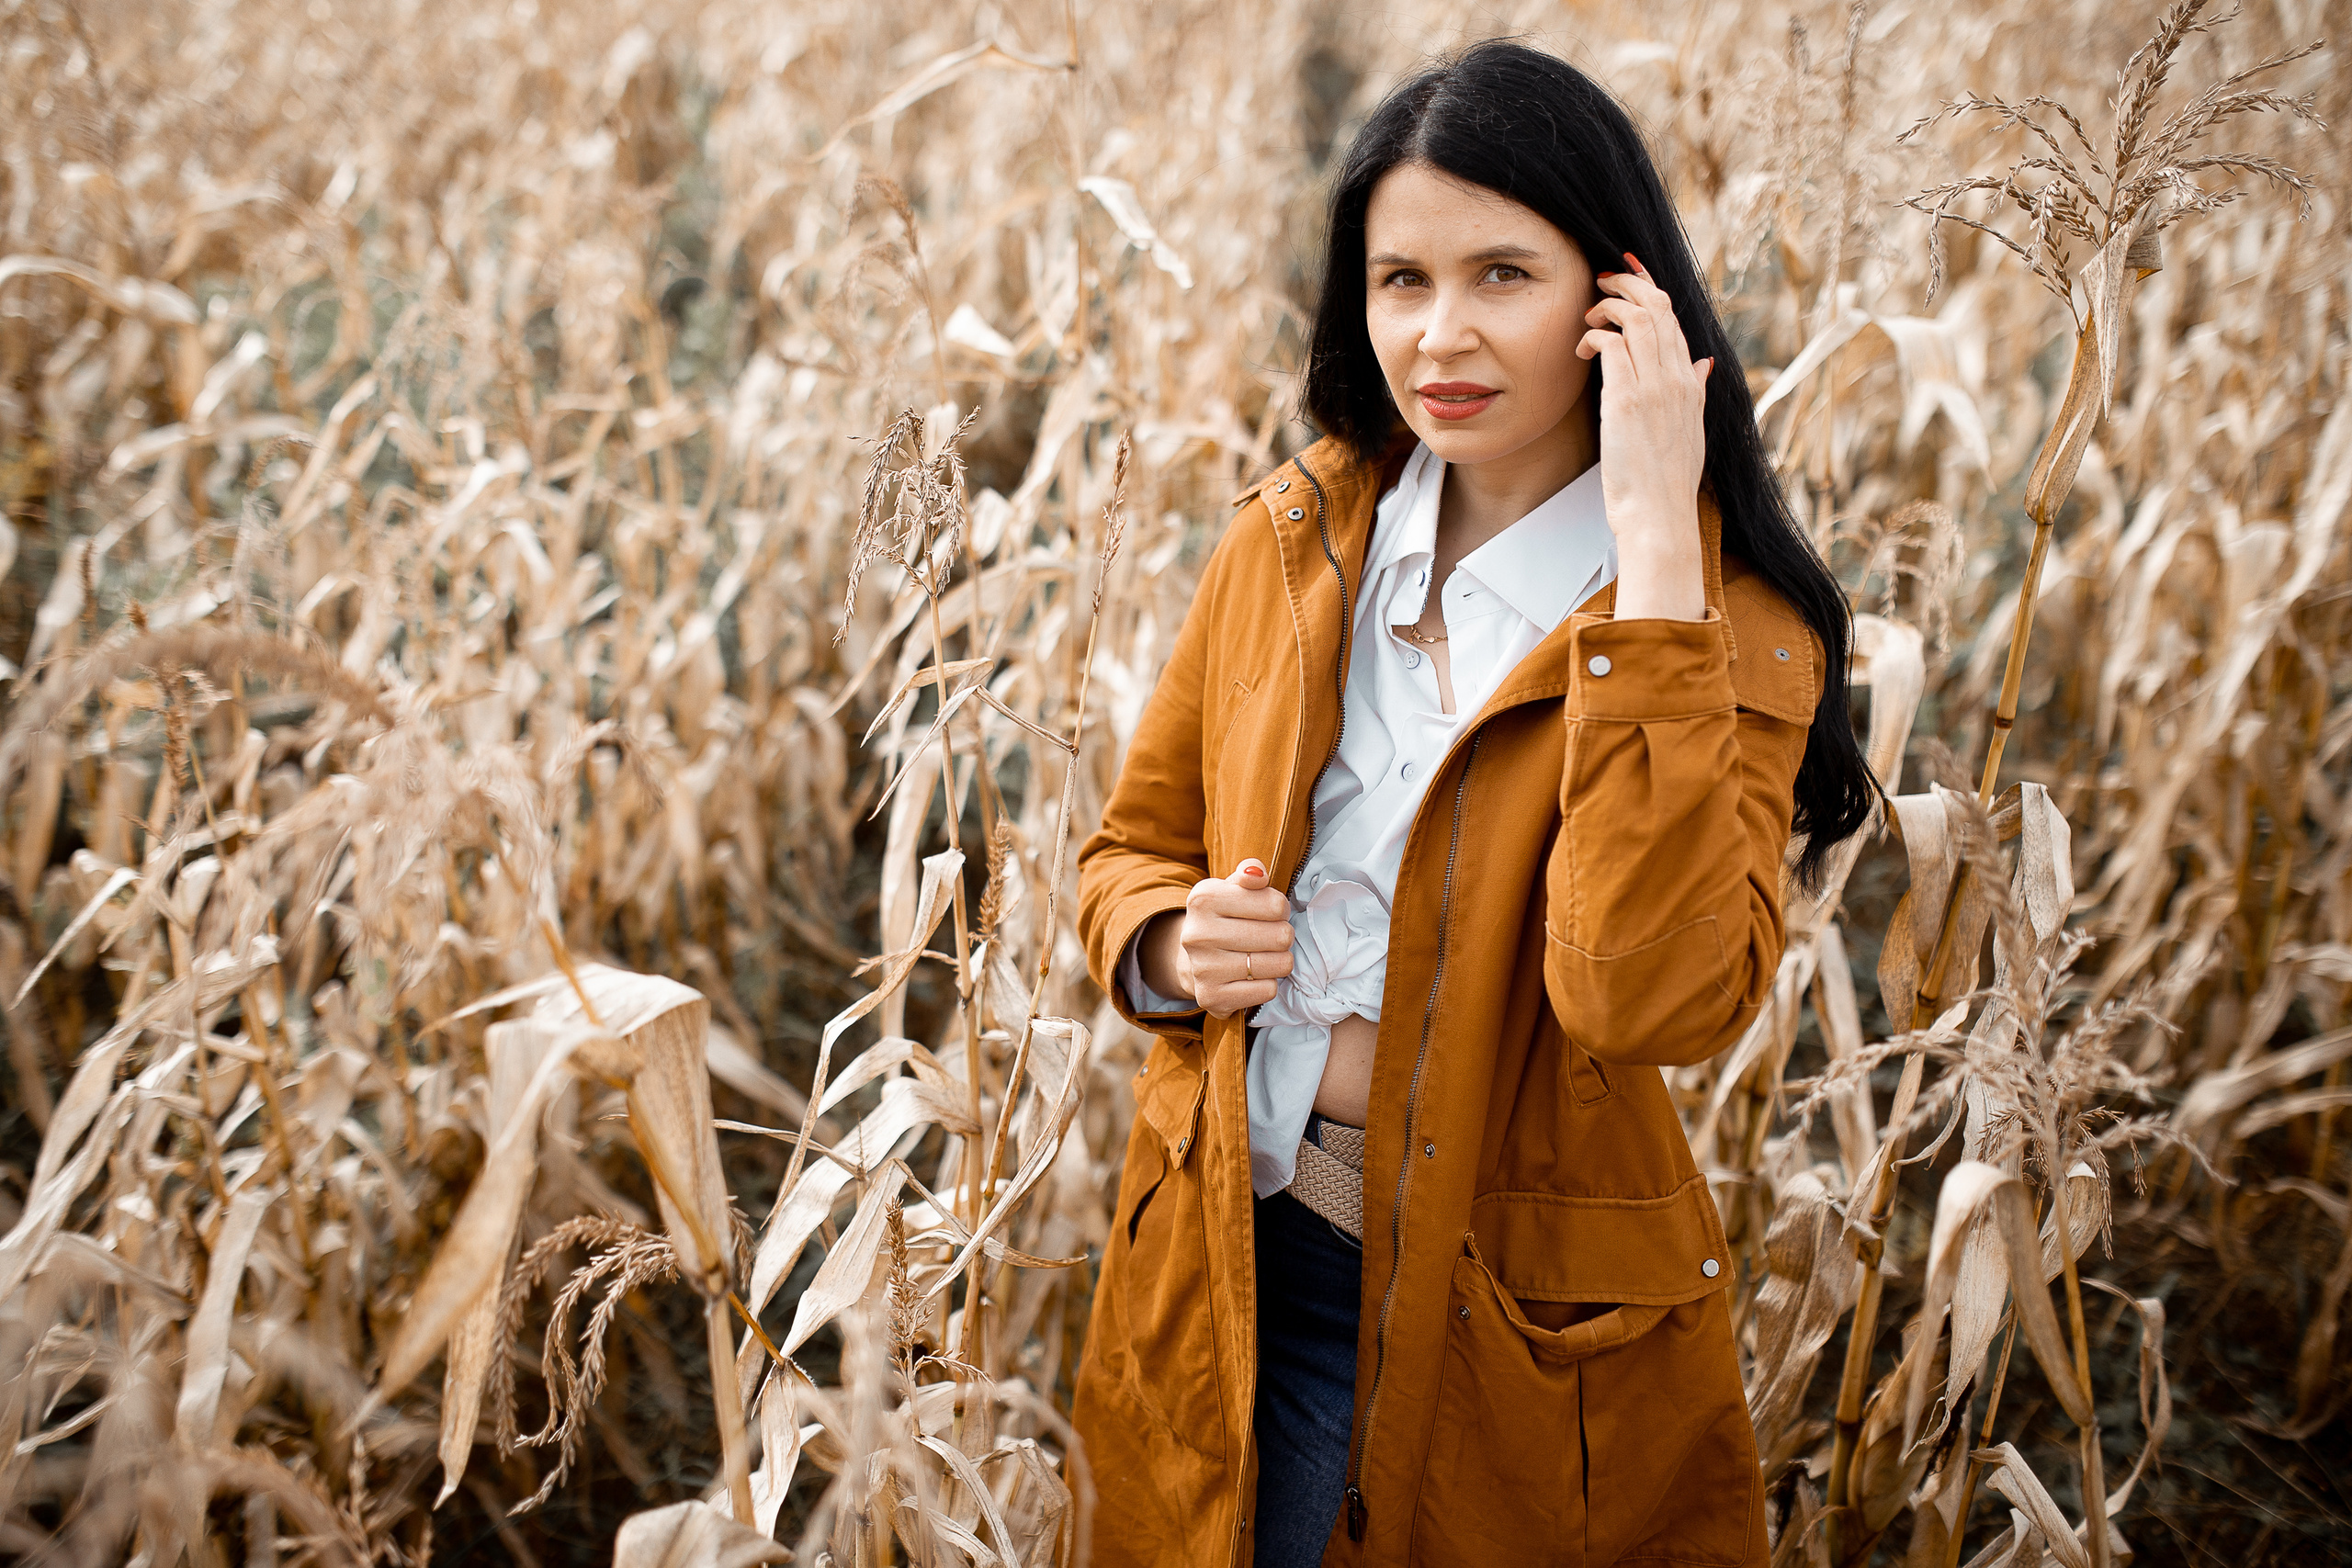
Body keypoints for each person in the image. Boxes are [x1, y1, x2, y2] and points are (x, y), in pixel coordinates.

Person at [1069, 38, 1876, 1568]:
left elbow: (1644, 993)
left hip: (1501, 1309)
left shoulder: (1731, 627)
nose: (1440, 334)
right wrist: (1170, 946)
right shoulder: (1296, 534)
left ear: (1618, 301)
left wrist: (1650, 548)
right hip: (1225, 1255)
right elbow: (1130, 847)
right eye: (1401, 281)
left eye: (1504, 272)